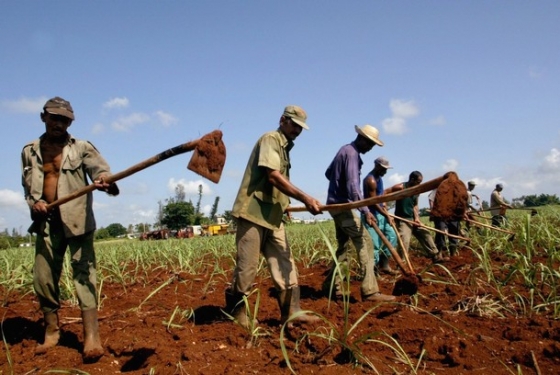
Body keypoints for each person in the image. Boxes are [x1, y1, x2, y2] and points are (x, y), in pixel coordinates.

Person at [21, 97, 119, 360]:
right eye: (55, 118)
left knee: (85, 276)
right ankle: (51, 332)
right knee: (43, 278)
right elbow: (27, 188)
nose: (59, 124)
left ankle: (91, 337)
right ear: (44, 117)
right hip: (46, 222)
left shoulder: (82, 148)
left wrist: (104, 179)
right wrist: (35, 203)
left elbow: (101, 171)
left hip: (77, 221)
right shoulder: (29, 151)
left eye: (65, 120)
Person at [225, 105, 322, 328]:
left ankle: (292, 312)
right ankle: (239, 315)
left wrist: (285, 204)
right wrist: (306, 198)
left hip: (273, 215)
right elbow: (273, 177)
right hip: (253, 213)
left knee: (285, 263)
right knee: (247, 267)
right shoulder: (271, 139)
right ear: (282, 120)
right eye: (294, 125)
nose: (297, 131)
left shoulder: (285, 147)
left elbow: (279, 185)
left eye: (300, 128)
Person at [322, 125, 395, 302]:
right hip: (344, 208)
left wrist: (337, 186)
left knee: (344, 247)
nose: (370, 148)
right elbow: (353, 187)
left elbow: (328, 173)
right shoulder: (353, 155)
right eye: (370, 144)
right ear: (362, 138)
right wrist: (364, 210)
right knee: (366, 242)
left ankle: (331, 286)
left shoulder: (344, 150)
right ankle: (370, 291)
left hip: (334, 207)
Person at [386, 171, 443, 262]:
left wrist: (417, 218)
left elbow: (415, 205)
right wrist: (385, 209)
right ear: (412, 179)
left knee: (425, 234)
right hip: (402, 220)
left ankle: (435, 255)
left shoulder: (417, 190)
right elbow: (385, 193)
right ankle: (402, 263)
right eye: (418, 182)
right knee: (404, 242)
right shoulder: (400, 187)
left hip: (412, 219)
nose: (419, 184)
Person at [362, 156, 397, 275]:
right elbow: (374, 202)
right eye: (383, 169)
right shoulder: (370, 180)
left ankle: (384, 263)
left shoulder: (379, 178)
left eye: (386, 169)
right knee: (375, 245)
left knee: (392, 236)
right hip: (372, 215)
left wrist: (386, 212)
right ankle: (374, 272)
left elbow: (381, 198)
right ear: (376, 166)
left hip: (381, 214)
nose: (385, 171)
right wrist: (386, 215)